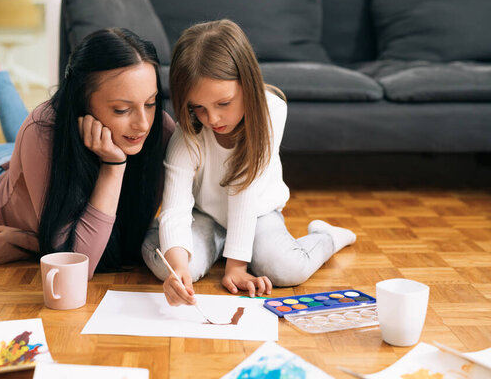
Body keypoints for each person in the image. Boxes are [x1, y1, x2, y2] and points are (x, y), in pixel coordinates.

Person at [0, 6, 174, 276]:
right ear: (81, 103)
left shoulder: (161, 130)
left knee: (35, 133)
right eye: (122, 110)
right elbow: (76, 264)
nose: (143, 123)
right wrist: (113, 165)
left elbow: (121, 241)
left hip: (33, 160)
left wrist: (30, 243)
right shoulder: (44, 132)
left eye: (151, 103)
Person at [142, 19, 357, 306]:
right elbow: (176, 207)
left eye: (223, 104)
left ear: (248, 84)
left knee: (286, 268)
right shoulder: (188, 134)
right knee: (167, 266)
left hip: (258, 214)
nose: (212, 119)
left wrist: (237, 266)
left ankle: (326, 236)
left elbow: (243, 190)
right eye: (199, 108)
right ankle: (207, 247)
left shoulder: (271, 112)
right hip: (206, 216)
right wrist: (178, 268)